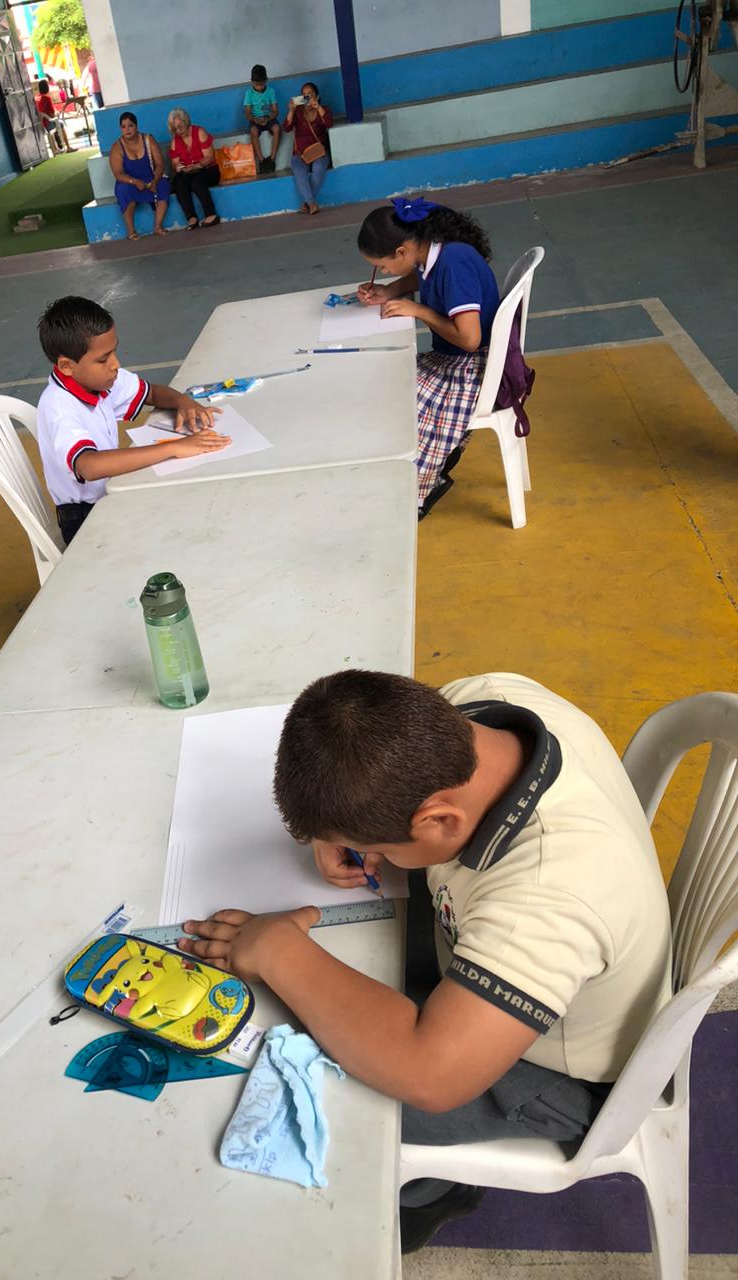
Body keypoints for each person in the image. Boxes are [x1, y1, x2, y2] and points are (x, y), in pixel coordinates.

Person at [176, 668, 672, 1253]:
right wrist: (343, 824)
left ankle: (431, 1191)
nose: (369, 856)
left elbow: (432, 1075)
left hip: (557, 1076)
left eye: (377, 848)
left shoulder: (549, 895)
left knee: (299, 1086)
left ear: (439, 819)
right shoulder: (484, 703)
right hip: (492, 955)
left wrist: (279, 950)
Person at [35, 296, 230, 544]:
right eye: (103, 359)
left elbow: (152, 393)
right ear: (66, 366)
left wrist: (184, 402)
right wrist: (173, 447)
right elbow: (89, 466)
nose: (115, 364)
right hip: (86, 518)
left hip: (114, 490)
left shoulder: (98, 380)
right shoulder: (59, 407)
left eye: (114, 351)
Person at [356, 196, 501, 520]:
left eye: (382, 267)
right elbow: (418, 277)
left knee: (398, 400)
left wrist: (418, 310)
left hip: (472, 366)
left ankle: (424, 484)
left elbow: (470, 339)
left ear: (401, 252)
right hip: (453, 357)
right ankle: (437, 459)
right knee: (385, 379)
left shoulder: (454, 263)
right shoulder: (430, 250)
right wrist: (388, 291)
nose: (382, 272)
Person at [109, 112, 170, 239]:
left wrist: (155, 181)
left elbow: (160, 164)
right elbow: (118, 174)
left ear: (136, 126)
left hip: (150, 179)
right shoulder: (117, 147)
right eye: (123, 126)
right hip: (129, 182)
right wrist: (135, 182)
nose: (127, 129)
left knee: (163, 184)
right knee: (124, 191)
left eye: (130, 125)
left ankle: (158, 226)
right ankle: (131, 231)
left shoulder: (148, 139)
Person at [282, 82, 332, 215]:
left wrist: (318, 107)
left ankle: (307, 203)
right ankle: (311, 202)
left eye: (310, 94)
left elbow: (329, 123)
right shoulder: (298, 112)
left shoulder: (323, 109)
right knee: (298, 169)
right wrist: (291, 110)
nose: (307, 97)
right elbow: (286, 128)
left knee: (319, 167)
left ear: (317, 96)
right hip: (300, 153)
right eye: (304, 95)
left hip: (318, 152)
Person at [167, 108, 221, 229]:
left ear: (186, 122)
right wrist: (178, 167)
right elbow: (174, 163)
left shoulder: (199, 132)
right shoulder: (175, 141)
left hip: (208, 169)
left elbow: (209, 157)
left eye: (180, 127)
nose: (178, 131)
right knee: (180, 183)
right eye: (175, 129)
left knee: (197, 182)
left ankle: (211, 214)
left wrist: (198, 165)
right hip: (189, 172)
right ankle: (191, 217)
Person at [243, 63, 280, 174]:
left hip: (268, 118)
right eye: (256, 84)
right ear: (251, 82)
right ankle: (261, 160)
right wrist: (255, 120)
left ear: (266, 81)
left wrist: (268, 118)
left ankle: (272, 158)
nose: (259, 87)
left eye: (262, 84)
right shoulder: (249, 93)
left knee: (277, 128)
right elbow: (247, 113)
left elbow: (276, 111)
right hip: (255, 119)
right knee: (253, 131)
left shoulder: (271, 91)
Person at [35, 77, 70, 154]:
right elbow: (52, 114)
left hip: (41, 123)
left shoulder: (37, 98)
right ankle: (68, 146)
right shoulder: (47, 98)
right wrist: (57, 113)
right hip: (48, 122)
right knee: (61, 124)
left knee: (57, 123)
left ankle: (55, 148)